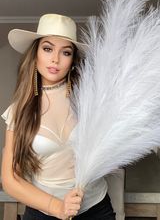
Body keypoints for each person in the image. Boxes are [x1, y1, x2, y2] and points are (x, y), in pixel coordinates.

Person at [1, 14, 116, 220]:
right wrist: (57, 207)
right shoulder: (19, 110)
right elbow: (10, 179)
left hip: (96, 208)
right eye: (47, 48)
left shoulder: (89, 98)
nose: (55, 59)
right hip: (43, 213)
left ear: (72, 60)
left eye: (66, 52)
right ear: (35, 53)